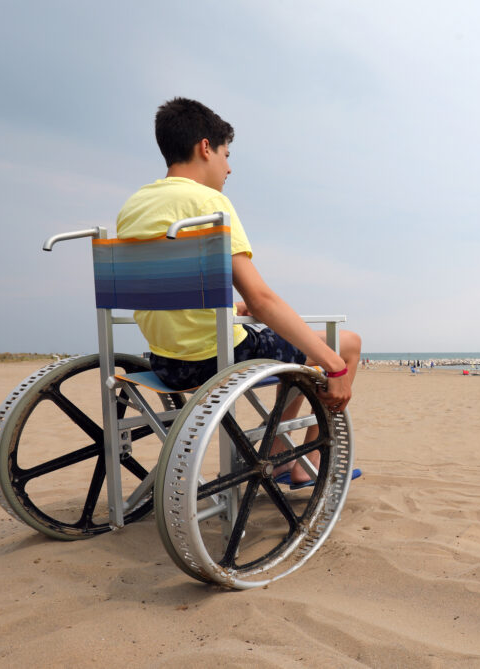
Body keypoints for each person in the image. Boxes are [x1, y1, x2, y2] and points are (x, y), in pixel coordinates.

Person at [116, 97, 361, 486]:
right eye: (226, 155)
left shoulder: (133, 206)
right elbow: (262, 300)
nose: (229, 168)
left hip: (166, 362)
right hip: (216, 359)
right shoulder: (209, 203)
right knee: (344, 343)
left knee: (291, 345)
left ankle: (281, 453)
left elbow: (173, 288)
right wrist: (335, 365)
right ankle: (300, 462)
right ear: (205, 147)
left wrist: (226, 306)